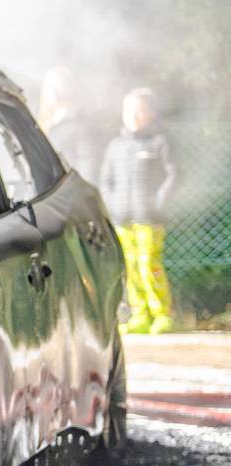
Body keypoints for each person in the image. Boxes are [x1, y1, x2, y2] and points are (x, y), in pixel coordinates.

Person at [100, 88, 178, 334]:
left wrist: (158, 203)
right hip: (122, 219)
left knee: (148, 264)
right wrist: (112, 205)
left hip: (149, 219)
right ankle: (139, 314)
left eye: (139, 110)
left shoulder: (160, 142)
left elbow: (174, 176)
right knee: (130, 266)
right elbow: (106, 181)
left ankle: (161, 314)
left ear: (151, 113)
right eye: (129, 111)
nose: (134, 116)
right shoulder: (116, 146)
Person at [38, 66, 99, 184]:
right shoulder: (41, 121)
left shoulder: (79, 123)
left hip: (68, 187)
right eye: (50, 86)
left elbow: (86, 164)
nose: (53, 90)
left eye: (57, 85)